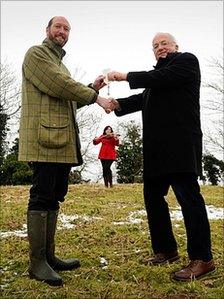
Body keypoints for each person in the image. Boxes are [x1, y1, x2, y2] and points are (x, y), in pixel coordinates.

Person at [106, 33, 215, 281]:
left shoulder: (187, 62)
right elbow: (143, 98)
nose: (160, 48)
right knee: (153, 198)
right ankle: (166, 249)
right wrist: (114, 104)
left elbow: (162, 78)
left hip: (180, 146)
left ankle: (203, 259)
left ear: (176, 46)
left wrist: (125, 76)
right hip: (156, 150)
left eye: (164, 43)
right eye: (155, 46)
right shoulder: (155, 83)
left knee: (189, 199)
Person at [18, 16, 112, 286]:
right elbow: (61, 85)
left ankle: (48, 256)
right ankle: (37, 263)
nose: (62, 31)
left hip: (58, 140)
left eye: (66, 28)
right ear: (47, 31)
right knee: (42, 195)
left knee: (54, 197)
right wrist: (97, 97)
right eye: (57, 27)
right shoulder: (36, 54)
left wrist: (91, 89)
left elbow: (67, 101)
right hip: (44, 140)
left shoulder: (59, 63)